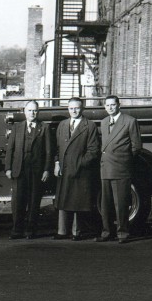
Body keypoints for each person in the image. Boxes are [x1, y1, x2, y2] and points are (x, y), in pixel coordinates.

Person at [96, 95, 142, 244]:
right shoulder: (103, 122)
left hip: (121, 168)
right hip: (105, 168)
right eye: (107, 105)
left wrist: (124, 160)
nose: (110, 107)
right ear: (105, 107)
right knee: (105, 203)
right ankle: (106, 232)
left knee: (121, 203)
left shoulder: (129, 121)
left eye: (113, 105)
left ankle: (123, 233)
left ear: (119, 105)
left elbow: (136, 146)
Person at [53, 97, 100, 241]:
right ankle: (62, 231)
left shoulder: (89, 126)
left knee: (77, 201)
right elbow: (57, 147)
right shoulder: (62, 125)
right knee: (63, 200)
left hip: (80, 171)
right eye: (71, 108)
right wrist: (56, 163)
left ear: (82, 108)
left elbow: (93, 150)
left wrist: (80, 164)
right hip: (63, 169)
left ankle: (76, 232)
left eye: (77, 108)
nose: (73, 111)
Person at [5, 101, 52, 239]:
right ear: (25, 112)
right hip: (19, 169)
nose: (33, 113)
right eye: (30, 110)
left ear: (38, 112)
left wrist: (47, 169)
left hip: (37, 171)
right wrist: (8, 167)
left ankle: (31, 230)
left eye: (35, 111)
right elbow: (10, 149)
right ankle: (17, 230)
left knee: (34, 201)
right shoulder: (17, 127)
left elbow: (49, 151)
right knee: (18, 201)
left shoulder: (44, 128)